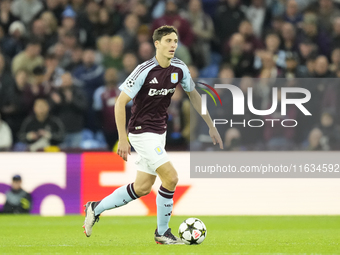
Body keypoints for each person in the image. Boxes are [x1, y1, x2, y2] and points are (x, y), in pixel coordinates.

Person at [83, 25, 223, 244]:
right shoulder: (144, 70)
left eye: (175, 41)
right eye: (168, 41)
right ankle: (162, 232)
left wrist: (210, 124)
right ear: (157, 44)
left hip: (159, 133)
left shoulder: (179, 68)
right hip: (141, 131)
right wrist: (123, 137)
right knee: (171, 177)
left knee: (142, 188)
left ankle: (95, 207)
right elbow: (120, 103)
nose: (173, 45)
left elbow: (193, 95)